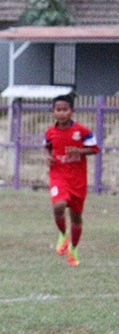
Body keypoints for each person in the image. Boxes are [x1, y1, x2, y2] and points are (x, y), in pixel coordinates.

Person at [45, 94, 98, 266]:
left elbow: (95, 149)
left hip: (77, 178)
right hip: (58, 174)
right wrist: (48, 157)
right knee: (58, 205)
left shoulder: (82, 131)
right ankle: (63, 234)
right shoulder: (50, 132)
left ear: (72, 111)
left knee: (76, 217)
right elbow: (46, 147)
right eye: (58, 110)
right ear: (53, 112)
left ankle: (73, 249)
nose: (61, 113)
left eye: (65, 109)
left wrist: (79, 151)